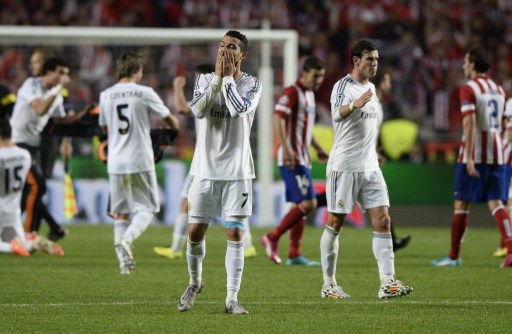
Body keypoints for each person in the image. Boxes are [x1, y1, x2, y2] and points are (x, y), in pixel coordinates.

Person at [320, 39, 413, 299]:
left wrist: (375, 153)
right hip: (345, 166)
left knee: (383, 220)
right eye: (370, 59)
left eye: (376, 59)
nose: (374, 64)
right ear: (356, 60)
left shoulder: (371, 88)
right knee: (335, 223)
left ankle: (387, 283)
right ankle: (329, 284)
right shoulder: (343, 86)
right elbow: (337, 114)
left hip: (370, 167)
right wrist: (354, 105)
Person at [177, 30, 261, 315]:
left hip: (237, 172)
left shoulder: (252, 84)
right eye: (222, 45)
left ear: (242, 55)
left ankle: (231, 299)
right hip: (204, 171)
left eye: (232, 47)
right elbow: (198, 111)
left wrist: (226, 79)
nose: (224, 50)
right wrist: (216, 79)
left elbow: (238, 109)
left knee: (235, 233)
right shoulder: (203, 80)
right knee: (195, 231)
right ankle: (194, 282)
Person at [153, 64, 258, 260]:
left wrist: (177, 86)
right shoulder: (211, 95)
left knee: (188, 201)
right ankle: (249, 244)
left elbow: (183, 109)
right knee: (234, 209)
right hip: (213, 159)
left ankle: (175, 248)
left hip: (207, 160)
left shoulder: (208, 93)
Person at [98, 52, 180, 275]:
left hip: (115, 161)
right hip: (139, 158)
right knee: (149, 208)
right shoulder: (144, 92)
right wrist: (175, 128)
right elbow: (168, 118)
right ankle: (126, 240)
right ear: (137, 70)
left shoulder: (106, 95)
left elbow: (104, 129)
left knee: (121, 213)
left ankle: (124, 264)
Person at [433, 47, 512, 268]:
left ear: (473, 65)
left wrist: (468, 156)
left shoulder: (468, 89)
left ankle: (453, 256)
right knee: (497, 202)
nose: (463, 65)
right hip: (496, 153)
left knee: (461, 204)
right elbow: (505, 125)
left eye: (466, 62)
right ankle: (511, 249)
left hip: (475, 153)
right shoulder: (498, 90)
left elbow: (469, 123)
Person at [260, 56, 328, 266]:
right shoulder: (292, 92)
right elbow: (277, 118)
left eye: (321, 77)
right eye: (315, 76)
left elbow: (305, 129)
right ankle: (272, 237)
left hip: (303, 157)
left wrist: (317, 148)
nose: (318, 81)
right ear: (304, 73)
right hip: (291, 158)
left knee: (301, 207)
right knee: (308, 203)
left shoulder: (310, 96)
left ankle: (294, 254)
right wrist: (287, 148)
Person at [10, 57, 85, 244]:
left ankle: (27, 231)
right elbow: (40, 110)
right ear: (48, 72)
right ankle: (29, 233)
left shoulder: (56, 94)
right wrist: (58, 88)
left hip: (33, 145)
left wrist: (82, 116)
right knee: (38, 185)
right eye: (61, 72)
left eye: (66, 74)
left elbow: (59, 120)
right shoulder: (32, 85)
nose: (64, 77)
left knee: (31, 190)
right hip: (17, 143)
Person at [0, 119, 63, 256]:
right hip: (13, 211)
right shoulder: (24, 155)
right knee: (22, 243)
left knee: (8, 243)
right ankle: (34, 242)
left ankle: (11, 247)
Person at [372, 70, 411, 251]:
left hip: (368, 160)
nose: (390, 85)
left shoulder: (378, 104)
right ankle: (304, 206)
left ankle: (391, 242)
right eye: (388, 81)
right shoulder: (371, 102)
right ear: (381, 83)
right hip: (358, 161)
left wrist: (374, 152)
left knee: (381, 201)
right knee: (334, 206)